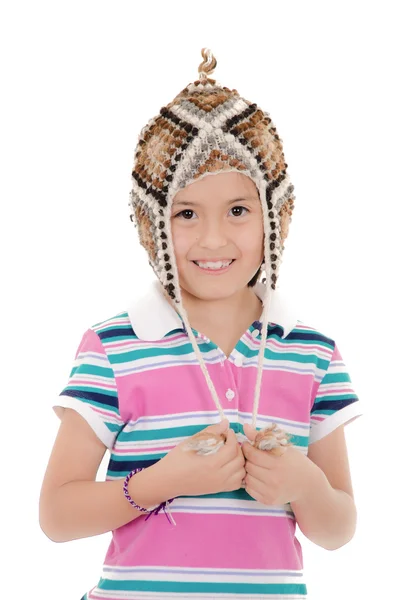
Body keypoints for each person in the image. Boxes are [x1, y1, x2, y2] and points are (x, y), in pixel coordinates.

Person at [39, 48, 363, 599]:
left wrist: (304, 485)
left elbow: (339, 528)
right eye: (186, 213)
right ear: (152, 223)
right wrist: (163, 482)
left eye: (239, 210)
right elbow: (56, 515)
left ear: (275, 216)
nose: (214, 240)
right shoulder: (114, 348)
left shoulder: (312, 353)